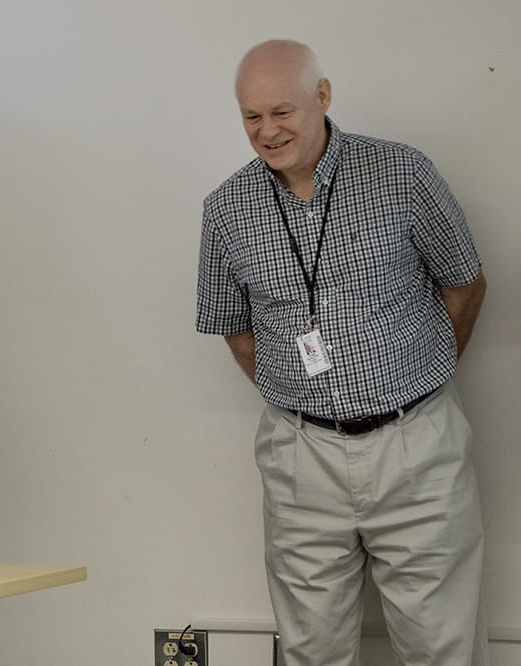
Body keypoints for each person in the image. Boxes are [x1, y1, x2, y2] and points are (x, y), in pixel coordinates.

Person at [195, 40, 488, 665]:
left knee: (445, 648)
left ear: (322, 98)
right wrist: (305, 404)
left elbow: (464, 284)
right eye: (252, 117)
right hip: (302, 454)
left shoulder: (401, 174)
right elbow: (236, 330)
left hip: (417, 442)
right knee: (311, 651)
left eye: (283, 111)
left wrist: (420, 378)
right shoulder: (226, 209)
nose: (268, 131)